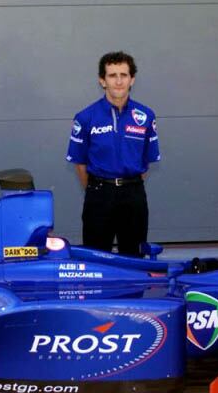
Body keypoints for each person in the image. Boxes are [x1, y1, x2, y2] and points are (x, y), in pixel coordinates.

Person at [66, 51, 160, 257]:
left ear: (132, 79)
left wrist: (127, 183)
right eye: (112, 75)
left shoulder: (146, 116)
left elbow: (146, 162)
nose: (118, 81)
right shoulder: (85, 117)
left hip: (133, 195)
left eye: (124, 75)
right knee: (97, 261)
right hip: (99, 195)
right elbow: (80, 164)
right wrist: (98, 188)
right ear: (102, 81)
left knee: (134, 259)